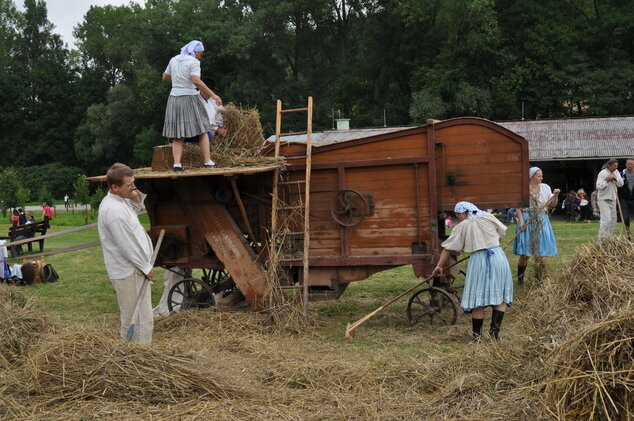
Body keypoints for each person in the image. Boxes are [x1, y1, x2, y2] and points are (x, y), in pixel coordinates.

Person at [431, 202, 513, 340]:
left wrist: (439, 266)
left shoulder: (462, 226)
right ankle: (494, 335)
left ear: (462, 213)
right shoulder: (488, 216)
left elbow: (447, 249)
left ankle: (477, 337)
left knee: (477, 301)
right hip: (498, 256)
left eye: (458, 215)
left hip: (479, 260)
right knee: (499, 297)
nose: (459, 218)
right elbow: (501, 235)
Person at [97, 163, 155, 344]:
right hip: (129, 271)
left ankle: (140, 357)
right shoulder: (113, 211)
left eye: (134, 182)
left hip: (135, 269)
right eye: (129, 185)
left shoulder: (121, 200)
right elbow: (126, 244)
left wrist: (134, 195)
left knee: (143, 318)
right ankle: (134, 359)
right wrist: (145, 266)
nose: (134, 187)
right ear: (114, 187)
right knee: (136, 320)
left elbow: (136, 209)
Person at [162, 40, 221, 172]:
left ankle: (177, 164)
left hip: (174, 98)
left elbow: (165, 77)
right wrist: (213, 95)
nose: (201, 55)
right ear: (195, 51)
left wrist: (179, 78)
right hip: (189, 97)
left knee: (178, 133)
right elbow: (196, 81)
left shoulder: (174, 59)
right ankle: (208, 161)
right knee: (203, 128)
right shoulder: (194, 62)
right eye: (200, 52)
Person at [513, 167, 560, 285]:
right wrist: (522, 222)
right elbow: (518, 207)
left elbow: (552, 205)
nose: (541, 178)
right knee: (525, 253)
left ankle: (539, 278)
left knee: (540, 252)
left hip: (541, 220)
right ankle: (520, 279)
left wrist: (555, 195)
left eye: (541, 175)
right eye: (539, 175)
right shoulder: (524, 189)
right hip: (527, 219)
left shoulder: (545, 188)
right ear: (531, 177)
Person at [596, 158, 624, 238]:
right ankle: (600, 241)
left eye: (617, 165)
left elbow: (620, 184)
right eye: (614, 165)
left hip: (613, 198)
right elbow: (598, 186)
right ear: (609, 166)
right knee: (606, 220)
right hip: (603, 199)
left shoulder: (616, 172)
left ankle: (607, 239)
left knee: (613, 221)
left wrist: (616, 178)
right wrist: (607, 180)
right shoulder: (602, 173)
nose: (616, 167)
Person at [618, 157, 634, 233]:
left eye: (631, 164)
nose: (630, 165)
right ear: (626, 164)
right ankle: (628, 234)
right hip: (624, 200)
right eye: (628, 164)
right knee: (626, 218)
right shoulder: (621, 174)